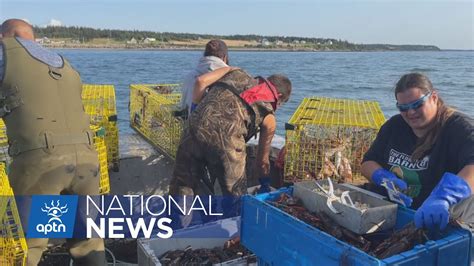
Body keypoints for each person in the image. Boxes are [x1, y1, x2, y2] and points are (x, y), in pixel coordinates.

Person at [0, 19, 104, 265]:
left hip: (42, 163)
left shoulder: (5, 53)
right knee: (86, 239)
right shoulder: (63, 62)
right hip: (87, 162)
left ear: (3, 36)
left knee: (30, 243)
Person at [361, 73, 474, 232]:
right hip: (402, 213)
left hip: (446, 217)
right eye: (403, 108)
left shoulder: (461, 129)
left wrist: (443, 197)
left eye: (417, 104)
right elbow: (368, 162)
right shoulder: (394, 126)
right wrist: (383, 178)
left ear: (434, 97)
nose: (411, 112)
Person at [169, 69, 292, 197]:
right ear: (279, 96)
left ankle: (177, 215)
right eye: (281, 103)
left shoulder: (236, 72)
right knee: (235, 196)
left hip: (193, 128)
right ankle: (232, 215)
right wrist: (265, 183)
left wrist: (195, 110)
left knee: (182, 186)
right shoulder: (269, 116)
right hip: (226, 144)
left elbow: (200, 81)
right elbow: (262, 162)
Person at [178, 39, 230, 117]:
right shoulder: (231, 76)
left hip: (190, 124)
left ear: (204, 55)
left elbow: (183, 107)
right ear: (224, 58)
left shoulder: (189, 76)